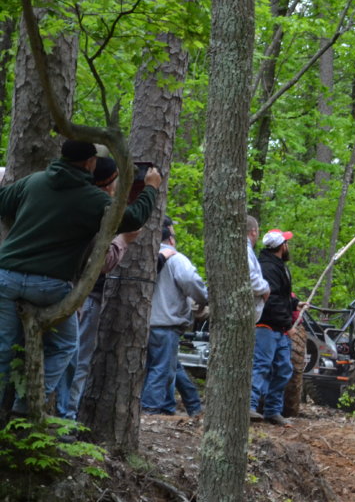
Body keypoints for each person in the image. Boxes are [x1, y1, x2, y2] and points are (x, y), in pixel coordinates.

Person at [0, 140, 160, 412]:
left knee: (3, 348)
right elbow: (133, 219)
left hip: (6, 276)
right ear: (89, 163)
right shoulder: (93, 199)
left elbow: (3, 202)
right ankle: (26, 406)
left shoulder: (34, 182)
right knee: (64, 347)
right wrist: (151, 189)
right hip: (49, 283)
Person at [55, 156, 140, 420]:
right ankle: (64, 419)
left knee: (69, 358)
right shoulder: (96, 207)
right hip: (83, 295)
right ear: (108, 183)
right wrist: (124, 239)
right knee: (74, 359)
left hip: (74, 293)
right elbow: (100, 260)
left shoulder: (70, 199)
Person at [141, 216, 208, 416]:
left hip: (144, 323)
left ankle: (184, 407)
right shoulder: (175, 258)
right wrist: (204, 297)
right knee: (161, 369)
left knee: (169, 367)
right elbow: (189, 279)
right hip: (165, 322)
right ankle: (150, 409)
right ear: (169, 237)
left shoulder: (142, 256)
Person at [250, 228, 302, 427]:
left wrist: (295, 304)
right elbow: (271, 301)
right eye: (286, 243)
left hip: (278, 328)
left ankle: (273, 410)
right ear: (282, 246)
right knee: (261, 366)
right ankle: (251, 406)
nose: (288, 246)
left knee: (283, 369)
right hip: (267, 327)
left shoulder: (278, 266)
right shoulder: (268, 267)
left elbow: (281, 297)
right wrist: (288, 325)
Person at [246, 216, 271, 323]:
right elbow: (249, 277)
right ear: (253, 232)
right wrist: (265, 289)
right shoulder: (244, 250)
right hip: (245, 315)